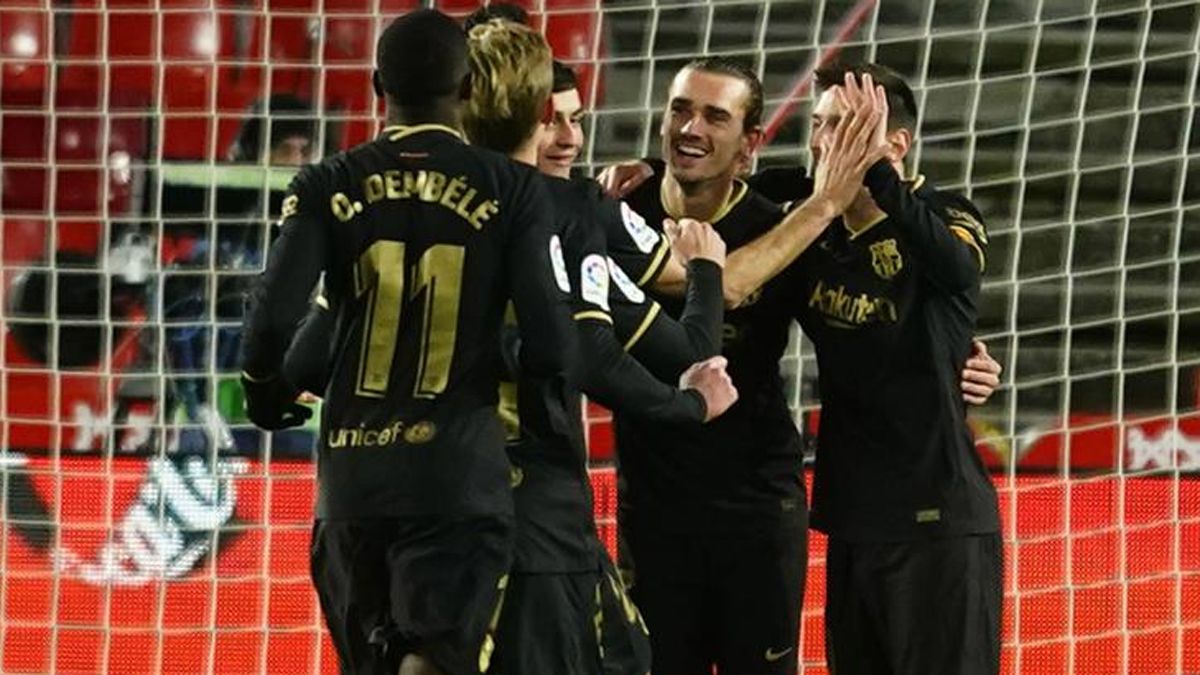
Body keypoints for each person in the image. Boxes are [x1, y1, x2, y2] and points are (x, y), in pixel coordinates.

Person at [602, 61, 1003, 673]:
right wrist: (657, 169)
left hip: (919, 515)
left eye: (843, 128)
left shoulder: (932, 216)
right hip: (842, 516)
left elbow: (958, 276)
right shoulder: (809, 233)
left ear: (894, 144)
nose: (823, 141)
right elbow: (733, 175)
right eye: (819, 125)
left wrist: (967, 358)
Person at [240, 9, 574, 675]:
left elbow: (275, 315)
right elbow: (553, 341)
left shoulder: (325, 183)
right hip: (456, 477)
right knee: (435, 658)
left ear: (376, 88)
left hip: (352, 483)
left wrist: (262, 387)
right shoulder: (513, 189)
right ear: (470, 92)